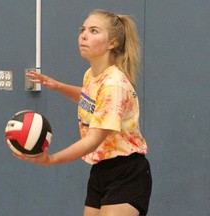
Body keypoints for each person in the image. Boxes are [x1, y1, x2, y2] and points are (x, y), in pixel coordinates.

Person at [18, 9, 152, 216]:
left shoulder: (114, 84)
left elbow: (93, 139)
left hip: (127, 173)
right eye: (83, 29)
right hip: (101, 170)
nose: (84, 35)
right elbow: (92, 99)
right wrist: (58, 86)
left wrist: (52, 159)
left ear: (112, 43)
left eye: (94, 31)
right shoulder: (92, 74)